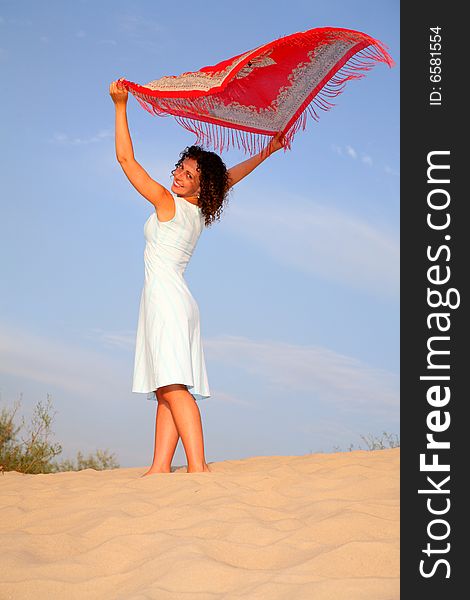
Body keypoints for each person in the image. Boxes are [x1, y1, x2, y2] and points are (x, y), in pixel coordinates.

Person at [109, 78, 285, 475]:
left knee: (173, 386)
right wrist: (268, 151)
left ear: (200, 185)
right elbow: (230, 178)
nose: (178, 175)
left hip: (168, 299)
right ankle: (158, 469)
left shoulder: (169, 204)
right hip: (172, 299)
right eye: (180, 167)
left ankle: (198, 468)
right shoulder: (197, 213)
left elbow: (126, 161)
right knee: (165, 387)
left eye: (189, 173)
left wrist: (120, 107)